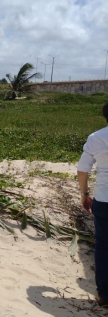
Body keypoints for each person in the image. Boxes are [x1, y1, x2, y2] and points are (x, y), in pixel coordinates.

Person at [78, 102, 108, 306]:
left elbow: (83, 170)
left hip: (105, 200)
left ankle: (105, 295)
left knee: (104, 248)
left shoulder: (97, 137)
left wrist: (84, 194)